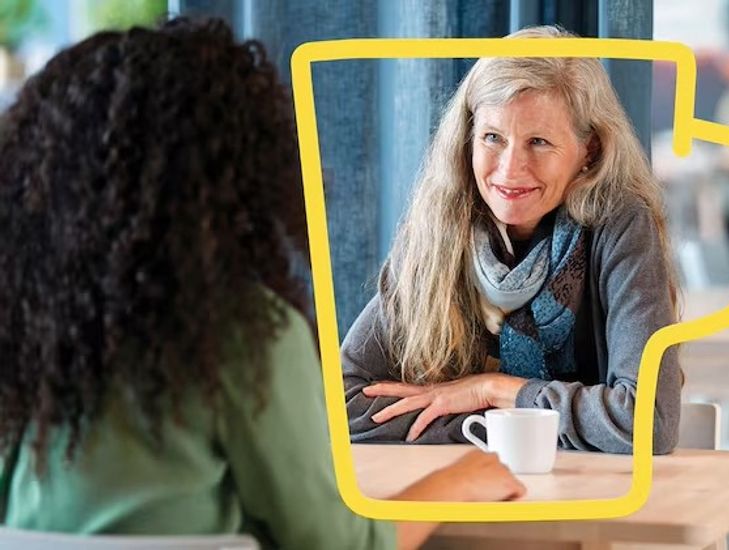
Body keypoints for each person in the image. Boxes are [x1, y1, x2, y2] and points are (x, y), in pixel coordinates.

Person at [0, 18, 524, 550]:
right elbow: (337, 546)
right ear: (240, 170)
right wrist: (459, 481)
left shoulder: (27, 330)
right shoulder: (245, 334)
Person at [343, 25, 682, 454]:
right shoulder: (441, 225)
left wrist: (494, 390)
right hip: (469, 494)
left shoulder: (621, 226)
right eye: (492, 138)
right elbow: (340, 406)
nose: (509, 168)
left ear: (589, 151)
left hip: (587, 501)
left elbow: (647, 422)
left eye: (538, 142)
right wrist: (507, 425)